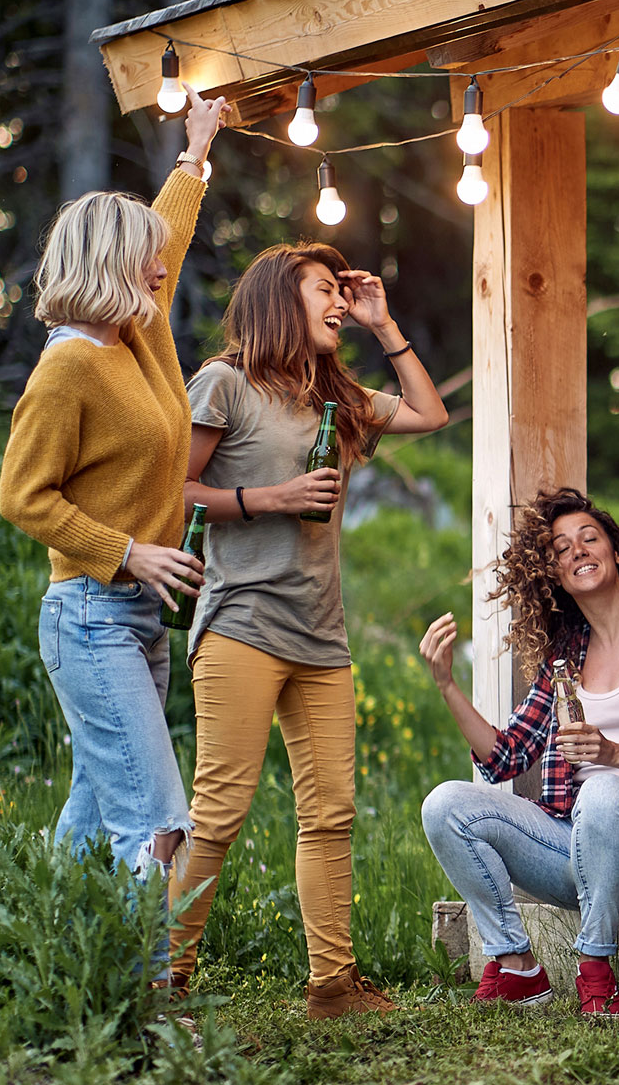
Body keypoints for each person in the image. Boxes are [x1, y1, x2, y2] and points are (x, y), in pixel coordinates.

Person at [167, 242, 449, 1019]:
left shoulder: (339, 400)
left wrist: (384, 325)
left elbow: (429, 412)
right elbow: (177, 491)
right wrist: (271, 496)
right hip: (241, 626)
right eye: (323, 289)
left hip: (322, 639)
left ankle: (332, 984)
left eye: (340, 291)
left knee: (330, 815)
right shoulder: (224, 384)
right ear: (275, 301)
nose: (337, 302)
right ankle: (164, 977)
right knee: (220, 810)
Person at [0, 86, 225, 903]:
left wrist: (197, 150)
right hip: (89, 614)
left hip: (134, 621)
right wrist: (126, 551)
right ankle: (139, 1013)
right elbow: (23, 497)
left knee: (95, 822)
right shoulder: (67, 368)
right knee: (159, 825)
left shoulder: (137, 334)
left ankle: (37, 967)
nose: (162, 267)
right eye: (145, 258)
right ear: (107, 266)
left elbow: (174, 226)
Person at [419, 488, 619, 1017]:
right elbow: (504, 757)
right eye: (561, 549)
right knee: (445, 805)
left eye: (589, 538)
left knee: (603, 789)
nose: (577, 551)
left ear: (616, 552)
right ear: (553, 574)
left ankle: (595, 967)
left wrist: (613, 754)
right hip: (573, 850)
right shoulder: (565, 657)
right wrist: (446, 685)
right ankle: (516, 966)